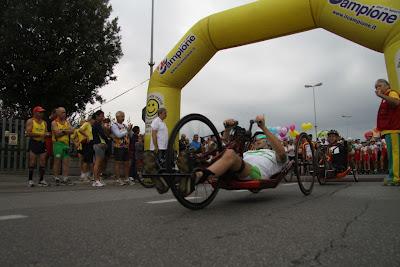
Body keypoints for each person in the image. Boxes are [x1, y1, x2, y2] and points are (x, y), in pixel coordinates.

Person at [178, 115, 287, 195]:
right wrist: (228, 128)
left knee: (230, 154)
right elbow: (226, 143)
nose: (257, 141)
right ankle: (173, 179)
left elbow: (282, 153)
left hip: (255, 172)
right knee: (220, 149)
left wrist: (263, 128)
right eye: (256, 139)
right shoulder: (249, 151)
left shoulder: (272, 154)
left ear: (268, 142)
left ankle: (197, 177)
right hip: (236, 166)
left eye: (261, 139)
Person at [374, 79, 400, 185]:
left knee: (395, 154)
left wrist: (381, 95)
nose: (377, 89)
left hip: (394, 129)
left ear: (387, 85)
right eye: (376, 87)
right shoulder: (386, 97)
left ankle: (396, 178)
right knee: (392, 154)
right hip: (389, 130)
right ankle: (392, 175)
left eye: (379, 86)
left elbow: (396, 102)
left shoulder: (391, 93)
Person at [25, 106, 50, 187]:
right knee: (32, 161)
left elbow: (46, 132)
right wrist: (40, 134)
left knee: (43, 161)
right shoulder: (30, 121)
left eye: (42, 112)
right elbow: (28, 133)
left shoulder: (44, 122)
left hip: (42, 143)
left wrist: (47, 134)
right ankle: (30, 180)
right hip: (34, 142)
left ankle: (41, 180)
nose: (41, 113)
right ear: (35, 113)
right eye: (39, 112)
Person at [52, 107, 75, 185]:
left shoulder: (67, 122)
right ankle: (56, 177)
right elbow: (57, 134)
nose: (64, 114)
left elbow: (72, 130)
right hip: (57, 144)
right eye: (62, 112)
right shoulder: (54, 122)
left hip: (66, 144)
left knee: (66, 161)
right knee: (57, 161)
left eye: (65, 112)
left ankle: (65, 178)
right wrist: (66, 131)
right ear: (58, 113)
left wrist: (63, 131)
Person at [149, 107, 169, 193]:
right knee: (156, 165)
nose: (166, 114)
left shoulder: (162, 122)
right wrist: (155, 146)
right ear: (160, 113)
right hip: (158, 147)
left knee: (160, 165)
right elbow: (153, 134)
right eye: (165, 113)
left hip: (163, 147)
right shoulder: (156, 121)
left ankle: (159, 181)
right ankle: (154, 180)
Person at [111, 111, 132, 186]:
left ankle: (126, 178)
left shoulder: (124, 125)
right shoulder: (114, 125)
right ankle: (118, 179)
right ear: (117, 117)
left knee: (127, 163)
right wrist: (127, 130)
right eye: (122, 116)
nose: (123, 118)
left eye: (124, 116)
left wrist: (130, 130)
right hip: (118, 147)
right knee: (118, 163)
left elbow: (129, 135)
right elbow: (118, 135)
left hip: (126, 147)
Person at [92, 110, 110, 187]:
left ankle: (98, 180)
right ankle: (96, 180)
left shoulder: (98, 124)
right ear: (97, 116)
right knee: (98, 163)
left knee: (99, 163)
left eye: (103, 116)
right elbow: (102, 134)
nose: (103, 117)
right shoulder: (96, 124)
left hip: (99, 145)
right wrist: (107, 140)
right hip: (98, 145)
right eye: (101, 116)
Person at [78, 116, 95, 182]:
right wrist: (87, 136)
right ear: (91, 120)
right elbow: (80, 129)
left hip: (91, 143)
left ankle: (88, 175)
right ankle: (84, 176)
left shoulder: (91, 125)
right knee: (86, 160)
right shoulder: (87, 124)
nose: (94, 121)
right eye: (93, 120)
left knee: (89, 160)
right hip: (87, 144)